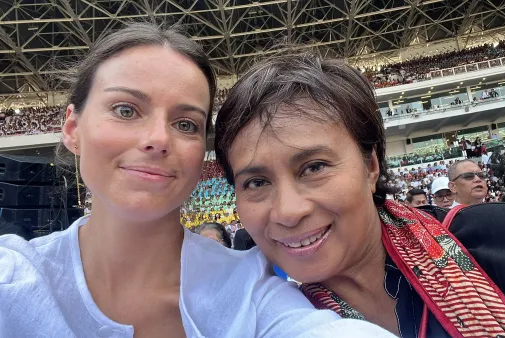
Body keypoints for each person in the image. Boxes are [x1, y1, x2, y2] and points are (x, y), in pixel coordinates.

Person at [0, 24, 394, 338]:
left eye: (186, 123)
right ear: (72, 128)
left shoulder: (250, 288)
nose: (157, 139)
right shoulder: (13, 277)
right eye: (125, 109)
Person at [214, 52, 505, 337]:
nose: (288, 211)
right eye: (256, 182)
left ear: (371, 166)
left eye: (313, 168)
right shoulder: (252, 319)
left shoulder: (500, 242)